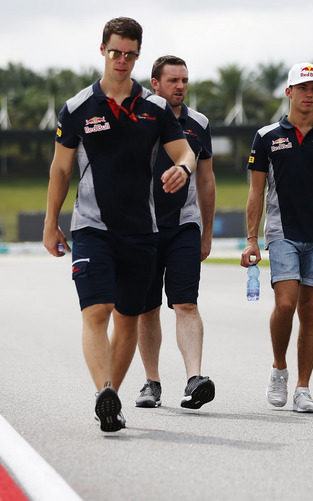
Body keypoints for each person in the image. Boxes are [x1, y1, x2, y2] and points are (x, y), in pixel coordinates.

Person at [43, 17, 196, 433]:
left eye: (130, 54)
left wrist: (183, 168)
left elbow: (185, 152)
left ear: (138, 55)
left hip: (142, 231)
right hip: (91, 226)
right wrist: (50, 222)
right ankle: (103, 391)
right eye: (116, 52)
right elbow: (60, 170)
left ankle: (110, 398)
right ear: (103, 50)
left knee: (128, 318)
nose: (123, 60)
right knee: (97, 310)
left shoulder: (156, 108)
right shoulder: (77, 109)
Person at [240, 62, 313, 413]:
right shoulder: (267, 136)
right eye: (303, 88)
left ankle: (303, 388)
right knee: (286, 304)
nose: (309, 94)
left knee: (310, 310)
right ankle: (279, 369)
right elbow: (256, 192)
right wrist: (251, 239)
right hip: (281, 233)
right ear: (289, 92)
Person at [134, 55, 216, 410]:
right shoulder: (139, 118)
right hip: (144, 225)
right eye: (173, 80)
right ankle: (151, 383)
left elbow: (207, 180)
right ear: (155, 83)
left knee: (186, 303)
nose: (180, 86)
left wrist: (206, 231)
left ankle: (194, 379)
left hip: (184, 223)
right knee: (147, 307)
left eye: (184, 80)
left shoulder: (199, 123)